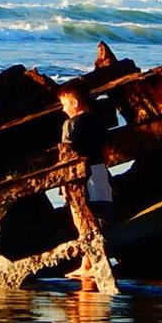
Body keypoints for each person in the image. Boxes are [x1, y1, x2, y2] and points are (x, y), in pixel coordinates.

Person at [58, 78, 114, 225]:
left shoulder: (69, 125)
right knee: (104, 209)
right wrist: (103, 166)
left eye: (64, 104)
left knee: (83, 213)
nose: (63, 109)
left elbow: (66, 156)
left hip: (81, 175)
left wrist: (64, 185)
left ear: (75, 103)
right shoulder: (98, 120)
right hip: (99, 170)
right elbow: (105, 148)